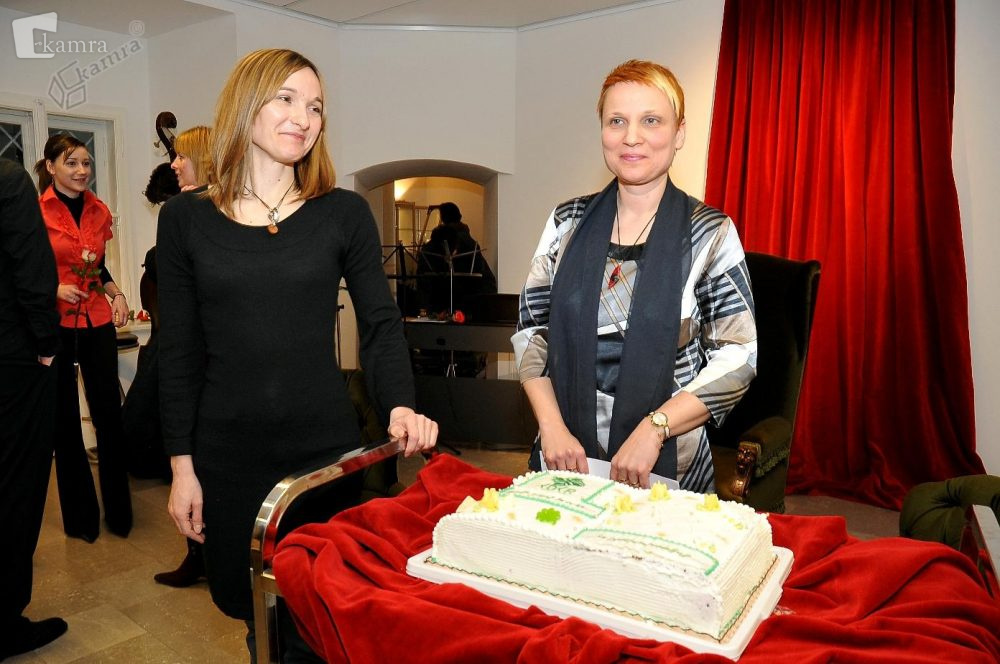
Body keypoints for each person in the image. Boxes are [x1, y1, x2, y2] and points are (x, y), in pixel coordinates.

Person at [156, 49, 438, 660]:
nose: (303, 118)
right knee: (254, 614)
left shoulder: (342, 213)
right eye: (286, 99)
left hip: (321, 456)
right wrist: (182, 468)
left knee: (318, 613)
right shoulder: (185, 219)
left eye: (315, 107)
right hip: (227, 454)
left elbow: (380, 322)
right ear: (246, 103)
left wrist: (400, 404)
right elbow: (177, 352)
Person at [512, 60, 757, 492]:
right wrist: (551, 426)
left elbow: (739, 357)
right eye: (617, 121)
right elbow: (532, 334)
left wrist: (656, 427)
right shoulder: (566, 222)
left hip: (671, 465)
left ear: (679, 134)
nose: (631, 137)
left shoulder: (710, 233)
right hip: (563, 456)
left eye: (651, 120)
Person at [124, 127, 213, 588]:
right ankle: (198, 552)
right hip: (178, 351)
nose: (173, 164)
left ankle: (210, 553)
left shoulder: (219, 216)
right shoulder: (180, 213)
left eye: (181, 156)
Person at [36, 134, 133, 541]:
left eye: (86, 163)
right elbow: (23, 271)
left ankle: (120, 514)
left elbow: (99, 267)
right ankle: (81, 520)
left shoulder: (99, 210)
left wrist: (117, 293)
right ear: (51, 167)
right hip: (56, 324)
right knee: (64, 422)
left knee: (109, 415)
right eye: (71, 163)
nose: (81, 171)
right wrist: (54, 288)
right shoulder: (35, 212)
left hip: (96, 321)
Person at [0, 158, 69, 658]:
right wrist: (45, 341)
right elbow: (32, 266)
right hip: (11, 360)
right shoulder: (8, 179)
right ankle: (4, 622)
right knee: (15, 489)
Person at [417, 201, 496, 314]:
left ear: (443, 219)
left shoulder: (437, 242)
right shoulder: (471, 242)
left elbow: (424, 277)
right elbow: (483, 274)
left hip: (443, 300)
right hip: (469, 301)